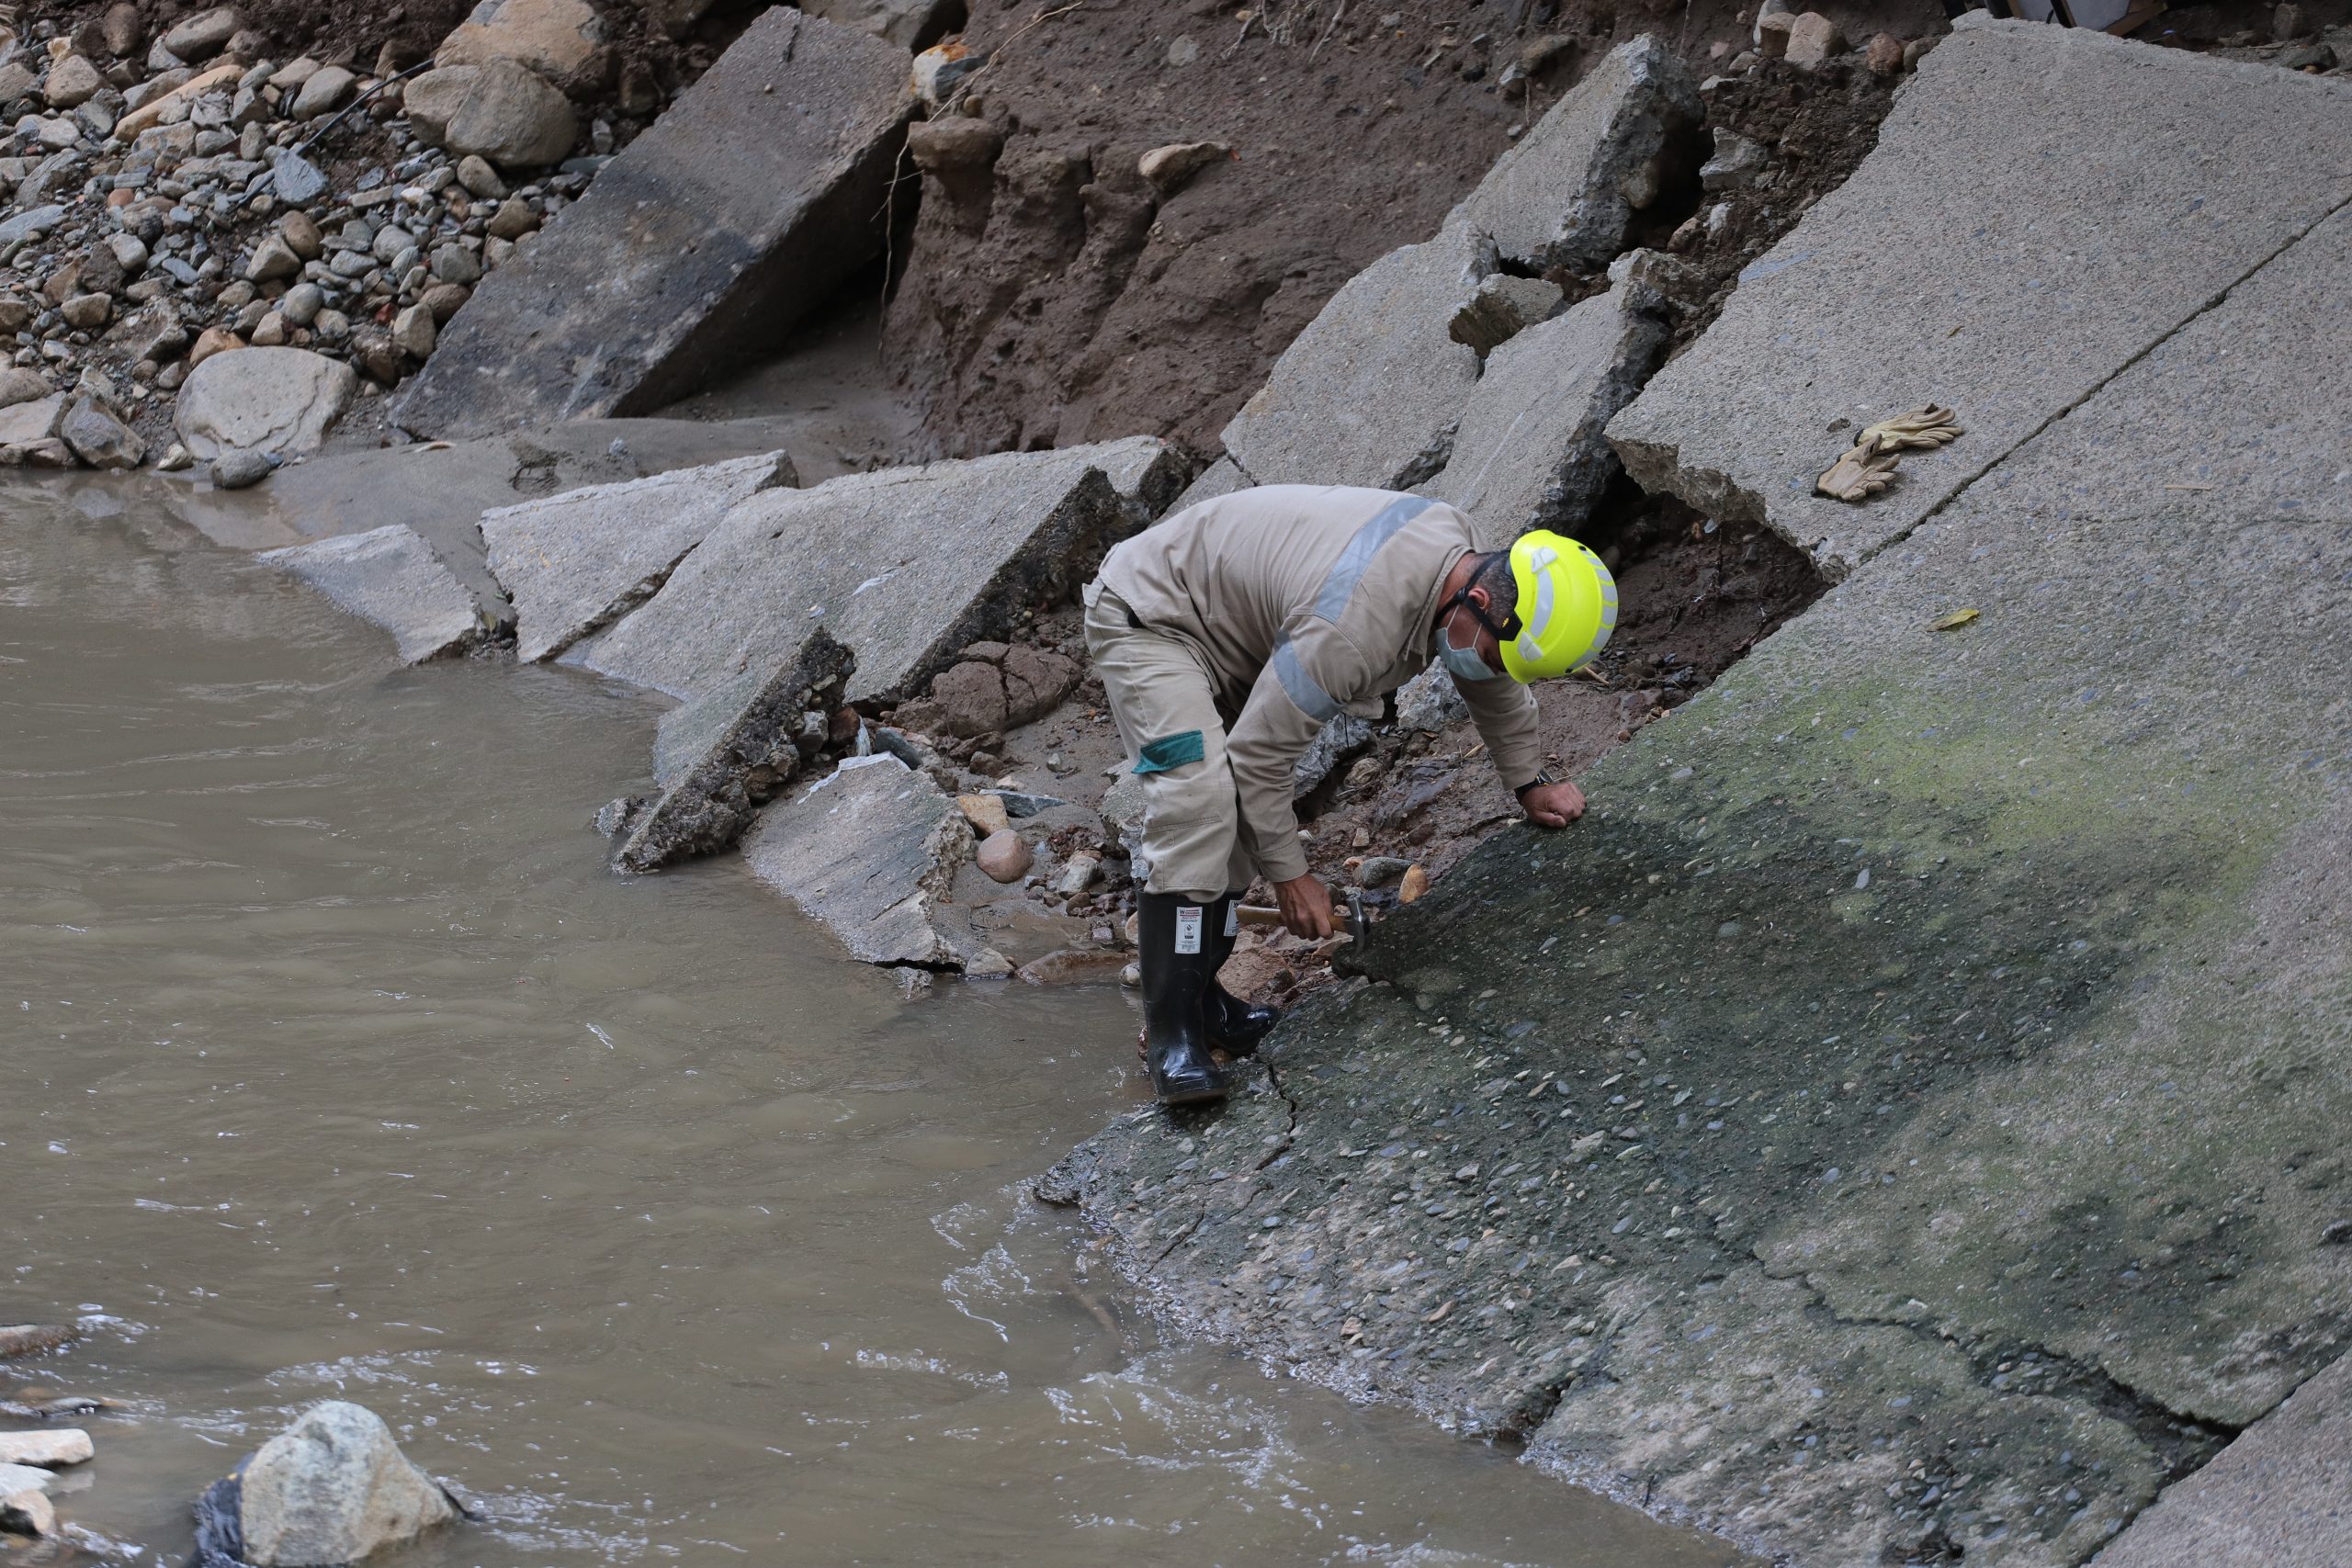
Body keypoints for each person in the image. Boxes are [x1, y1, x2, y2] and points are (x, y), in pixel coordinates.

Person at [1084, 485, 1617, 1105]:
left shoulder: (1473, 565)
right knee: (1200, 803)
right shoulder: (1353, 631)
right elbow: (1258, 756)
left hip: (1238, 626)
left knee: (1230, 826)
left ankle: (1206, 1007)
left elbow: (1494, 676)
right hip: (1153, 616)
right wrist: (1291, 875)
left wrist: (1528, 780)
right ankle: (1172, 1036)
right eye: (1503, 655)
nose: (1498, 671)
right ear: (1477, 598)